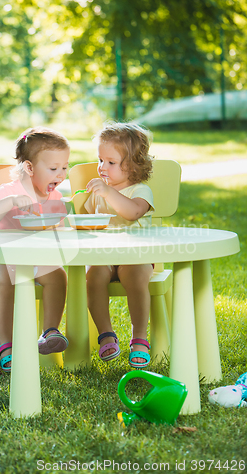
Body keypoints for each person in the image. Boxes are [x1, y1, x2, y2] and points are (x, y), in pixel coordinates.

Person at [0, 127, 70, 372]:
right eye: (53, 169)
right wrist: (9, 203)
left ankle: (49, 332)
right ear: (30, 168)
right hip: (5, 258)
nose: (60, 174)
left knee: (58, 276)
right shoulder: (8, 191)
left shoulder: (55, 197)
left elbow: (59, 233)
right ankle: (6, 345)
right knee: (5, 283)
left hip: (37, 260)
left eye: (65, 167)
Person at [84, 122, 154, 369]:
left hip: (136, 257)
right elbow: (92, 225)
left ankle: (139, 339)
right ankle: (106, 335)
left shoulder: (140, 191)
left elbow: (132, 212)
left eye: (110, 162)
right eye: (100, 160)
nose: (102, 167)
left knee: (135, 277)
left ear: (133, 164)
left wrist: (107, 193)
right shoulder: (100, 193)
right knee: (92, 275)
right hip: (105, 255)